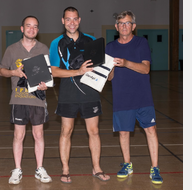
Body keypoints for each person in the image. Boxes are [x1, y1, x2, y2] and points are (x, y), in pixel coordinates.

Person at [49, 6, 110, 183]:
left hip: (90, 93)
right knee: (66, 131)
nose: (72, 22)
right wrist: (77, 71)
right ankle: (65, 169)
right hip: (68, 93)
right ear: (63, 21)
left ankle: (96, 168)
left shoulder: (92, 40)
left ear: (80, 20)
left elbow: (100, 66)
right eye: (68, 19)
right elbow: (54, 71)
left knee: (94, 131)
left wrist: (109, 70)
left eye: (75, 19)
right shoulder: (56, 43)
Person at [106, 10, 163, 185]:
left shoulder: (141, 43)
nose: (124, 26)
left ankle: (155, 168)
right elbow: (109, 78)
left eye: (128, 23)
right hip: (122, 97)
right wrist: (112, 68)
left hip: (143, 97)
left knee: (151, 130)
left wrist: (125, 63)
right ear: (116, 26)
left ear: (134, 26)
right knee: (123, 133)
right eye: (121, 23)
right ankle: (127, 164)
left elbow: (146, 69)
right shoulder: (110, 47)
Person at [0, 15, 52, 184]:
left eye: (35, 27)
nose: (32, 29)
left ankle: (39, 168)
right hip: (18, 99)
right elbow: (1, 71)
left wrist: (46, 85)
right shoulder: (12, 49)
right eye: (28, 26)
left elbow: (48, 74)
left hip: (37, 100)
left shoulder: (43, 49)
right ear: (22, 29)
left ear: (38, 30)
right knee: (18, 135)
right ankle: (17, 169)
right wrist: (13, 72)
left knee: (38, 134)